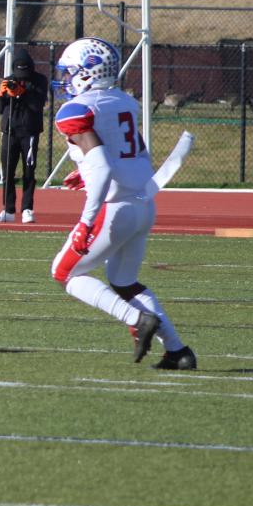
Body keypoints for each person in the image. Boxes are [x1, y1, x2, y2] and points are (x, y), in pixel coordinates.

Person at [50, 37, 196, 370]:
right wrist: (83, 173)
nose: (65, 79)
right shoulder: (123, 101)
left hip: (113, 207)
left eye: (70, 72)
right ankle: (177, 351)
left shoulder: (76, 109)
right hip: (142, 202)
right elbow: (132, 155)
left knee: (65, 273)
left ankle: (135, 318)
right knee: (124, 280)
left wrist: (86, 221)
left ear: (87, 73)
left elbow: (101, 164)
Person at [0, 47, 49, 224]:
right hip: (10, 131)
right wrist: (0, 95)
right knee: (7, 172)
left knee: (29, 171)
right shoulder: (9, 80)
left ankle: (27, 209)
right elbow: (1, 110)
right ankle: (8, 210)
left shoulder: (40, 81)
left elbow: (37, 105)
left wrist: (22, 93)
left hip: (29, 131)